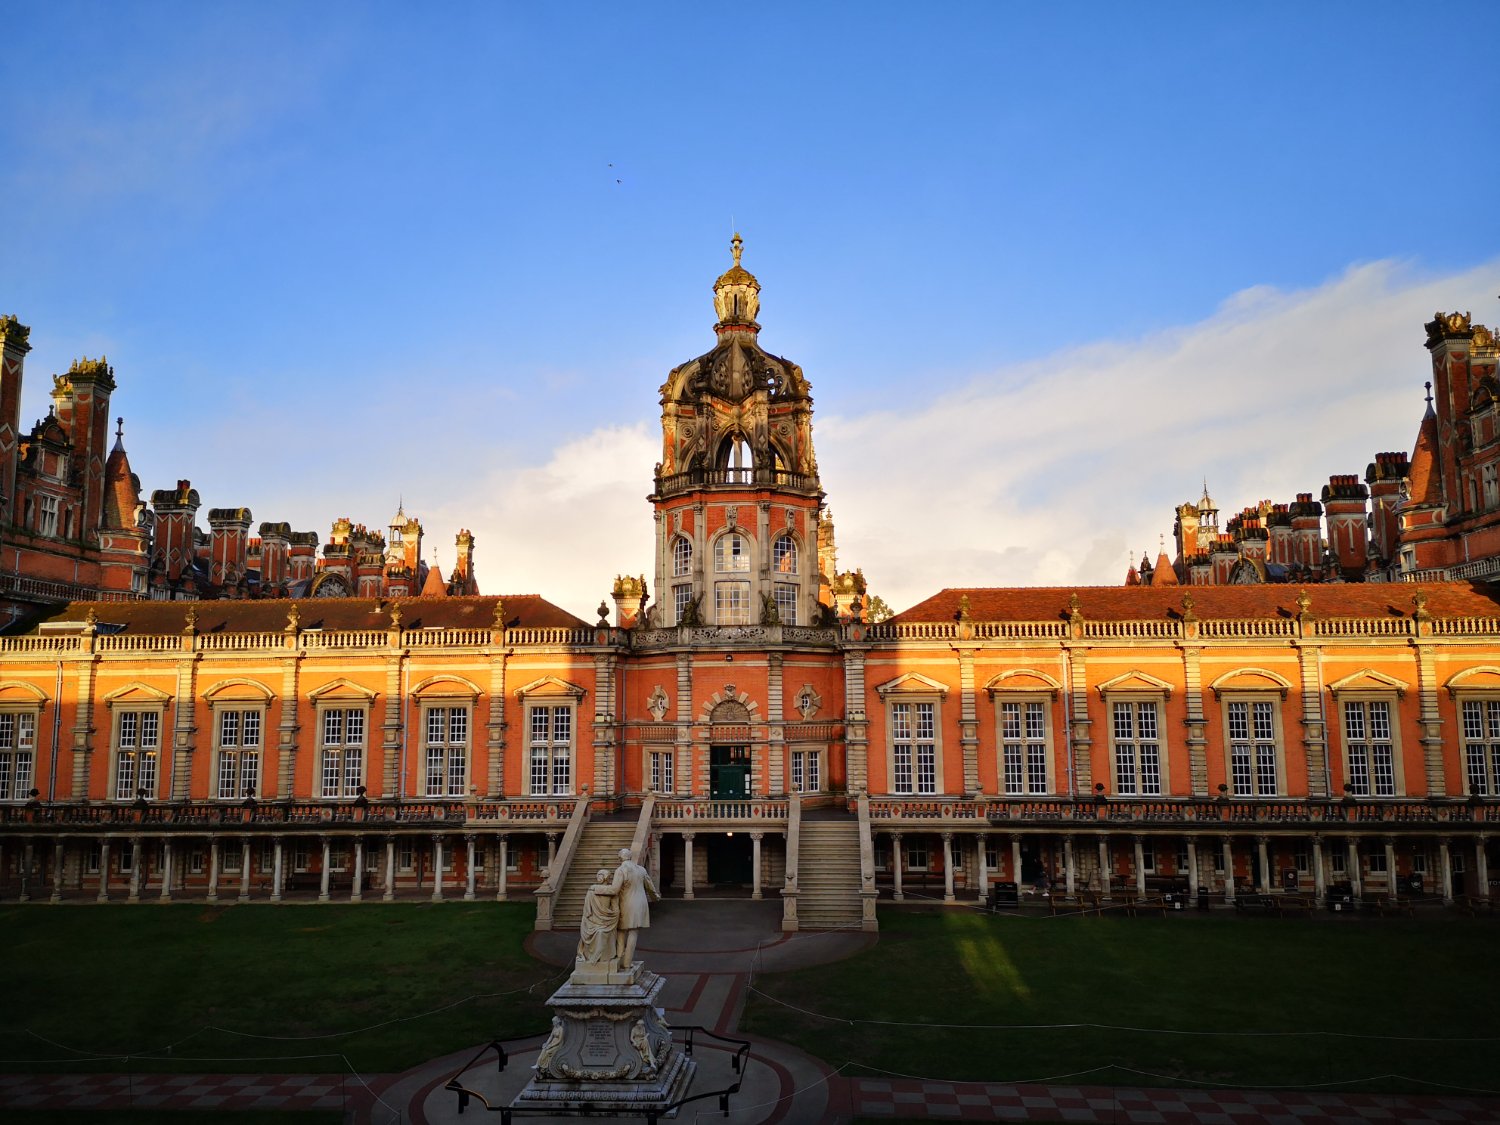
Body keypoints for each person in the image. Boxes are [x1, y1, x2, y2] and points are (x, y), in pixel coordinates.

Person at [610, 847, 659, 971]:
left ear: (620, 858)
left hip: (626, 903)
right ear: (630, 857)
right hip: (641, 903)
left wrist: (597, 889)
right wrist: (655, 897)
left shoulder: (621, 870)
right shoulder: (641, 869)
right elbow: (650, 886)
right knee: (633, 931)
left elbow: (614, 889)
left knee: (621, 930)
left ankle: (621, 959)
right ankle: (626, 961)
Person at [576, 868, 619, 966]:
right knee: (591, 931)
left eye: (601, 875)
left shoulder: (610, 890)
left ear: (606, 877)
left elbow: (616, 909)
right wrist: (588, 920)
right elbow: (587, 910)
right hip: (593, 921)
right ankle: (591, 957)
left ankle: (603, 957)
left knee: (601, 932)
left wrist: (611, 918)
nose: (598, 877)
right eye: (598, 874)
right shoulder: (591, 890)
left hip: (606, 922)